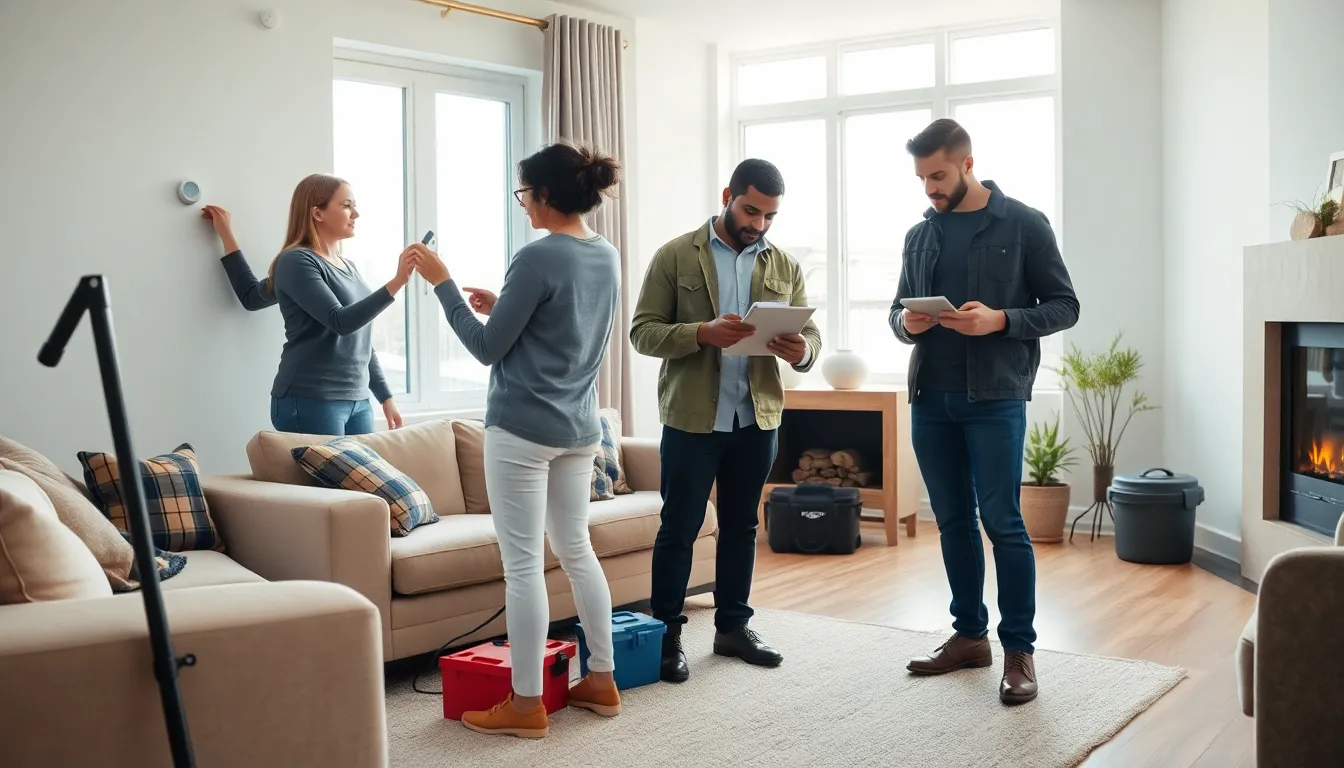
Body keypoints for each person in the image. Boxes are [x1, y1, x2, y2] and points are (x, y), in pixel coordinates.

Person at [411, 142, 623, 739]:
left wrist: (444, 284)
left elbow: (485, 350)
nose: (523, 203)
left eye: (524, 192)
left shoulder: (535, 257)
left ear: (546, 194)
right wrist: (502, 305)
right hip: (579, 428)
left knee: (524, 566)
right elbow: (565, 327)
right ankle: (600, 680)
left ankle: (525, 704)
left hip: (523, 431)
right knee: (576, 549)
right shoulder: (605, 254)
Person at [889, 118, 1080, 705]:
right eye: (922, 178)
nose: (930, 189)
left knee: (1003, 522)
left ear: (968, 163)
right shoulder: (919, 236)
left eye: (939, 175)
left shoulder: (1023, 223)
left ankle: (1018, 650)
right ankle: (969, 636)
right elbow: (897, 316)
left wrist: (1001, 320)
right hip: (931, 399)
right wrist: (907, 322)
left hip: (995, 398)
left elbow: (1066, 306)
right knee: (951, 521)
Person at [630, 158, 822, 683]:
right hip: (692, 420)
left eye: (769, 217)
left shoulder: (783, 264)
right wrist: (700, 334)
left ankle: (733, 626)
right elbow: (642, 332)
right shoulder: (675, 255)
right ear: (727, 195)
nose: (758, 225)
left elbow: (813, 338)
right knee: (680, 528)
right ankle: (667, 635)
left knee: (741, 527)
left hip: (756, 419)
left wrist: (801, 349)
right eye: (750, 210)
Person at [201, 174, 417, 435]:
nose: (356, 213)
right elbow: (341, 322)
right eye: (347, 205)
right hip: (309, 399)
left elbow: (362, 339)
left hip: (359, 401)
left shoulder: (349, 266)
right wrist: (397, 282)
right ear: (318, 213)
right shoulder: (296, 262)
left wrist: (385, 396)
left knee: (364, 477)